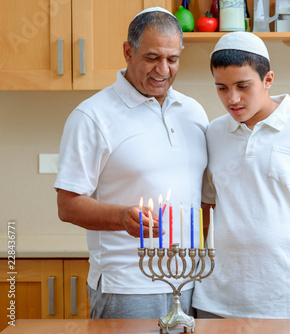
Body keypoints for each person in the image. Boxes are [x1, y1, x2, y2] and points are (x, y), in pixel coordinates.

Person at [54, 7, 208, 319]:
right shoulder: (92, 116)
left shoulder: (194, 113)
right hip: (125, 286)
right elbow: (67, 205)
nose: (163, 69)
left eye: (172, 59)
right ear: (128, 51)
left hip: (192, 283)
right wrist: (122, 216)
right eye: (152, 57)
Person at [192, 32, 290, 333]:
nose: (232, 99)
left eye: (243, 86)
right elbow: (205, 208)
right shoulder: (213, 133)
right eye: (222, 88)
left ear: (268, 80)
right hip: (215, 302)